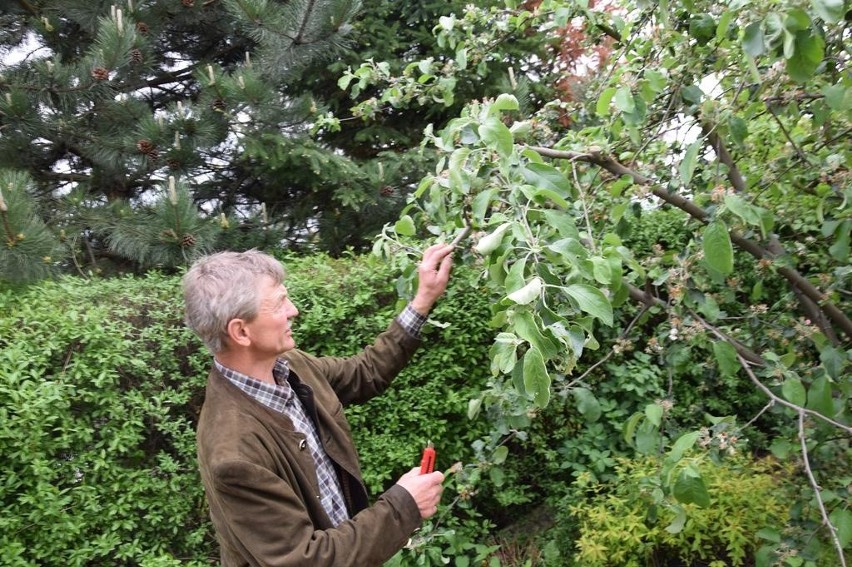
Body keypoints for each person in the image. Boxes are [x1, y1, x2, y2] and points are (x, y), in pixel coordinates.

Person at [182, 243, 455, 566]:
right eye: (280, 303)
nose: (293, 310)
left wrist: (423, 299)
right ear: (241, 332)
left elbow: (364, 373)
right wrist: (404, 505)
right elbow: (307, 560)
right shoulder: (235, 456)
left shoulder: (289, 367)